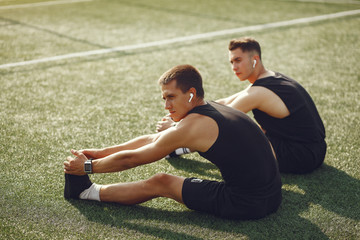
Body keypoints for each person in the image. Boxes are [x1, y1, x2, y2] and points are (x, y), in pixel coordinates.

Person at [64, 64, 282, 220]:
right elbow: (153, 138)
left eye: (171, 97)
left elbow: (134, 159)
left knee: (162, 182)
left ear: (190, 94)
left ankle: (86, 192)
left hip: (248, 203)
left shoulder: (195, 125)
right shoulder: (212, 108)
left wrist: (86, 167)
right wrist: (101, 152)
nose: (166, 106)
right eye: (164, 98)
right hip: (273, 193)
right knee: (164, 176)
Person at [157, 37, 327, 174]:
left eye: (238, 60)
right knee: (253, 131)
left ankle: (179, 147)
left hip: (303, 155)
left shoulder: (259, 92)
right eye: (231, 62)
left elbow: (218, 119)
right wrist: (190, 107)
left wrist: (175, 126)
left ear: (255, 60)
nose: (234, 67)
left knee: (232, 136)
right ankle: (179, 148)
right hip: (311, 147)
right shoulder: (268, 79)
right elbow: (224, 103)